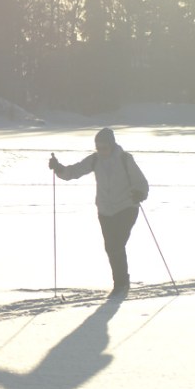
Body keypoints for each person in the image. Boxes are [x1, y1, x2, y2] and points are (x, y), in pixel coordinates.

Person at [49, 128, 149, 298]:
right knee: (111, 247)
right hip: (105, 211)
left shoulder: (125, 159)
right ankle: (121, 282)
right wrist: (58, 168)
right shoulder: (95, 160)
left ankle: (121, 284)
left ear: (112, 145)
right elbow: (74, 172)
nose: (101, 151)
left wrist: (140, 193)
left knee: (116, 245)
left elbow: (141, 181)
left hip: (126, 207)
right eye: (98, 147)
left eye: (104, 147)